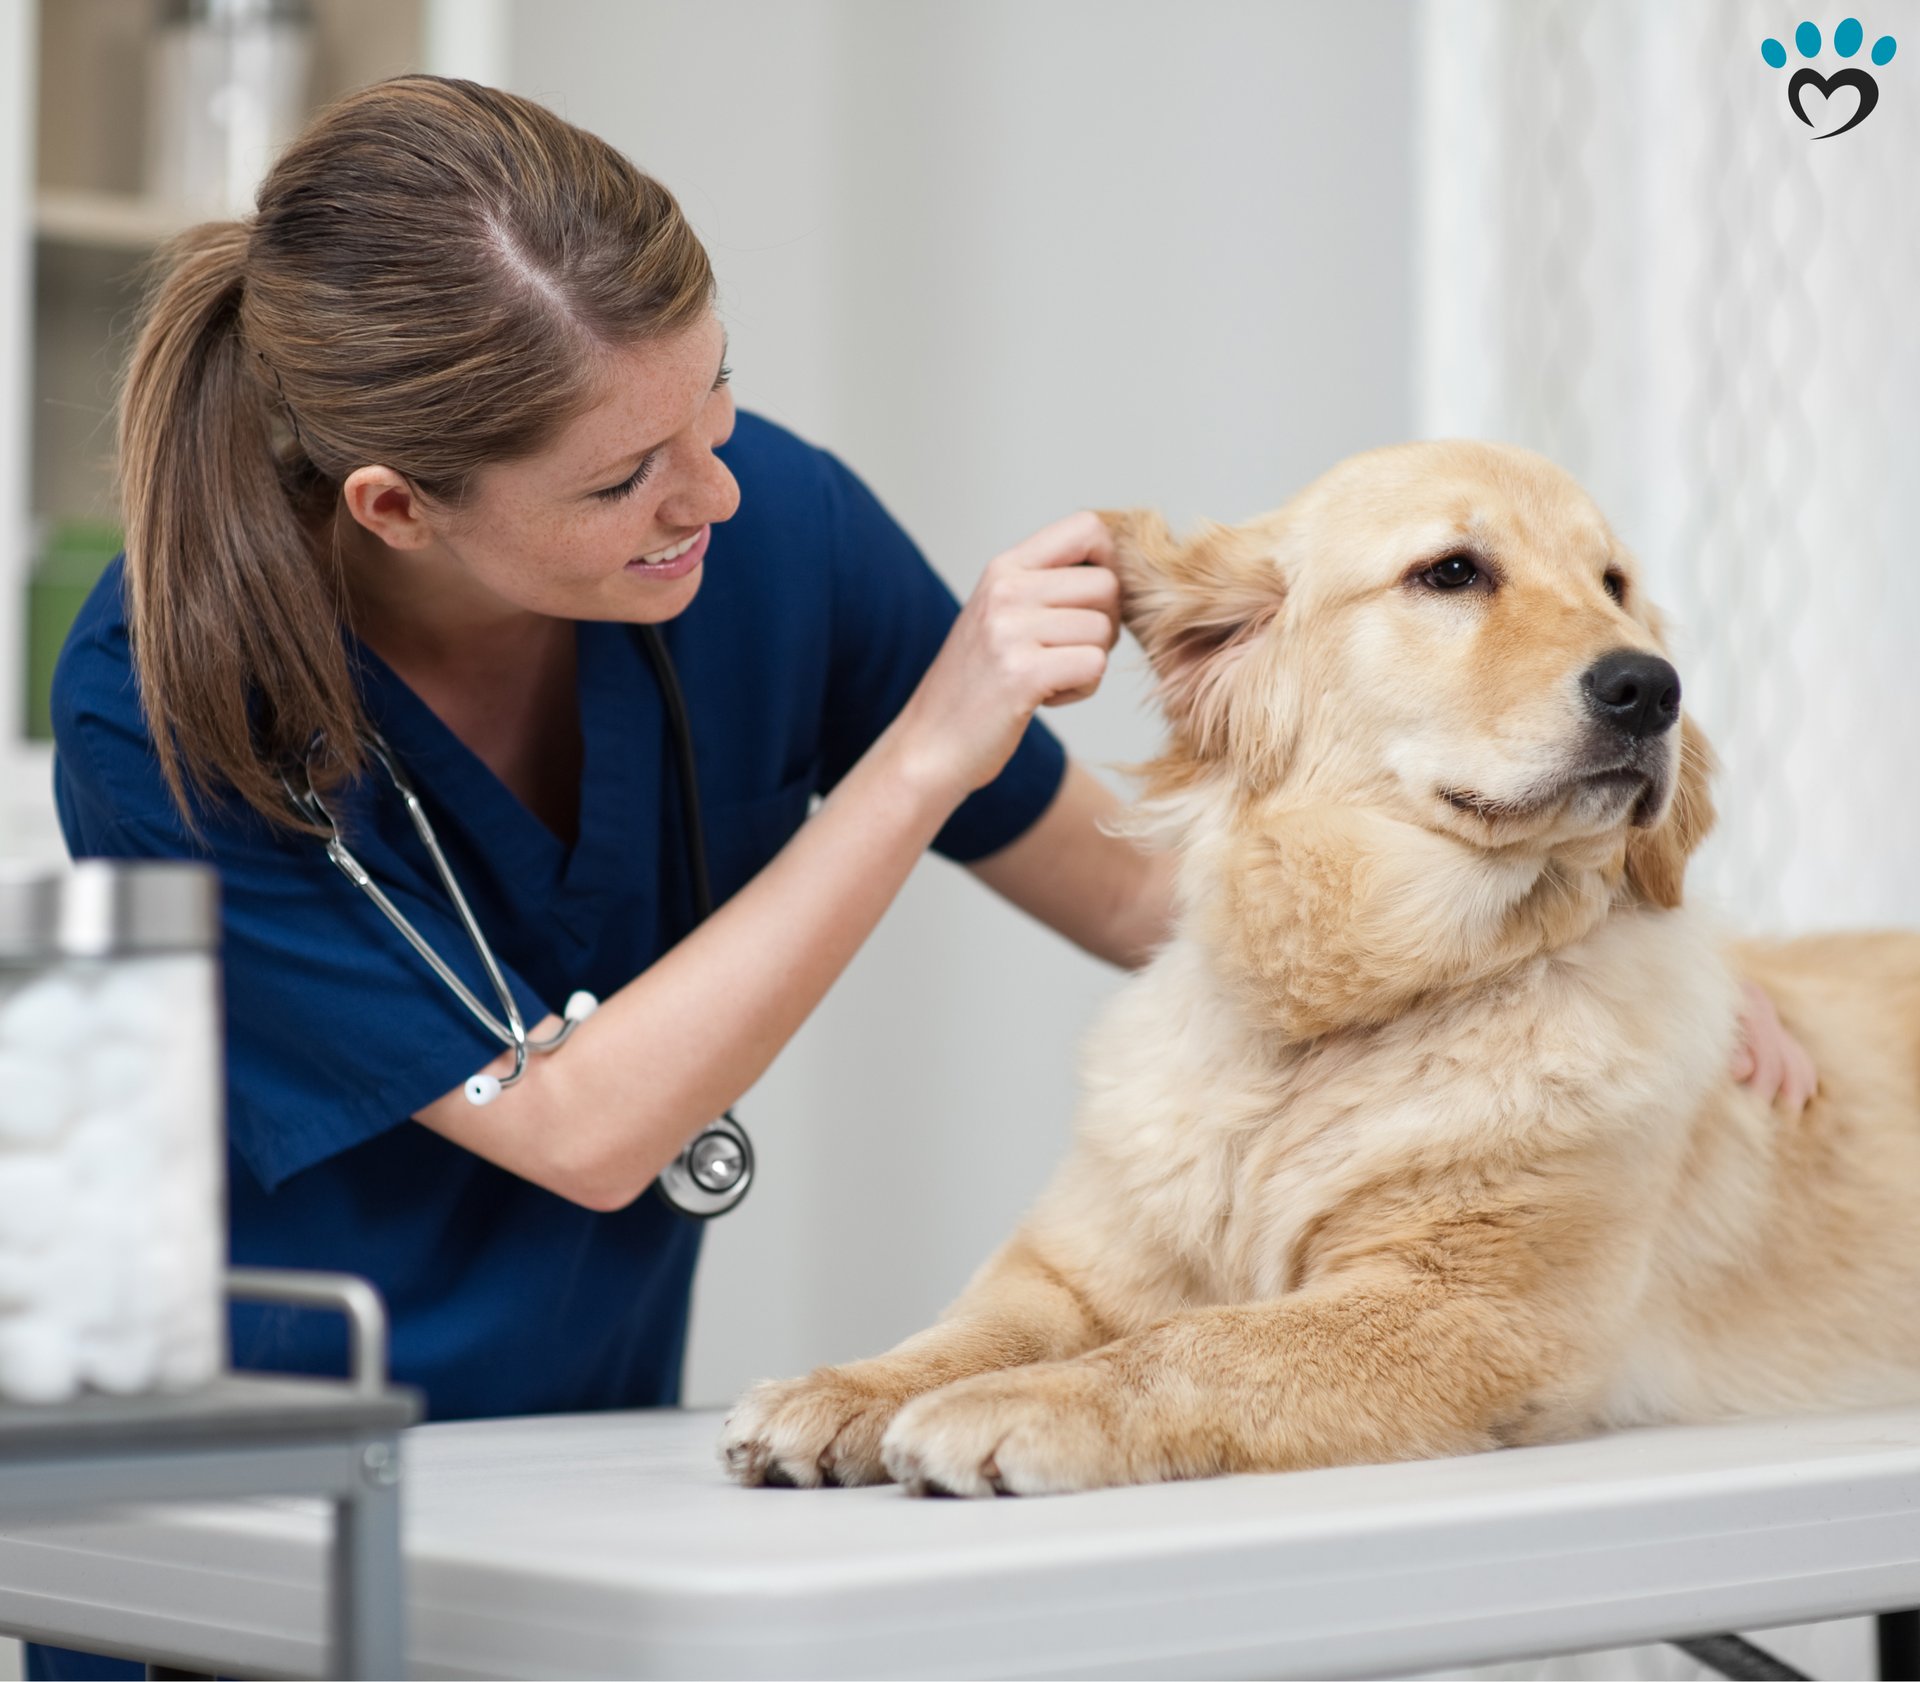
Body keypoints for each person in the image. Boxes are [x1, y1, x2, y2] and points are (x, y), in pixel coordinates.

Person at [30, 74, 1814, 1682]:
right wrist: (919, 754)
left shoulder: (771, 525)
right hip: (241, 1480)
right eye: (629, 476)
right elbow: (584, 1129)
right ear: (397, 506)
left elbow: (1144, 902)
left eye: (716, 395)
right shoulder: (161, 700)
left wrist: (1611, 973)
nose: (713, 493)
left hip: (580, 1459)